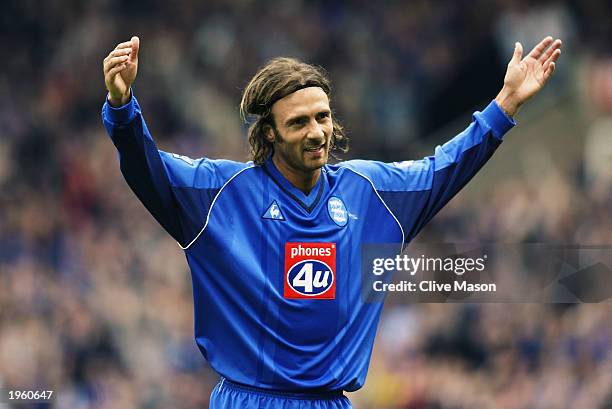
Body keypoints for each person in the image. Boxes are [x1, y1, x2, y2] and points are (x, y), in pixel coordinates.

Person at [101, 35, 561, 408]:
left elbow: (444, 167)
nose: (317, 132)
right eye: (299, 122)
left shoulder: (371, 192)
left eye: (322, 117)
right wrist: (122, 108)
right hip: (249, 400)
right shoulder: (219, 193)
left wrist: (503, 107)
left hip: (332, 403)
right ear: (268, 134)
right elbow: (147, 167)